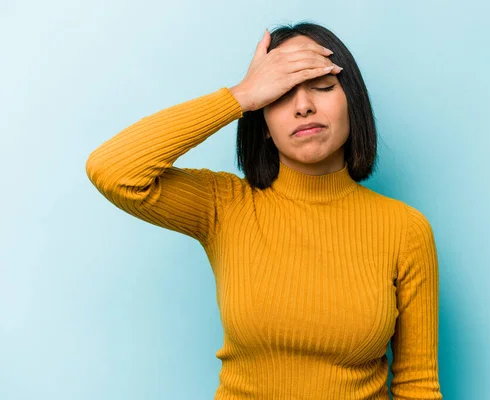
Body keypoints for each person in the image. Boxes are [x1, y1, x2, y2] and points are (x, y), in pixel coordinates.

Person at [85, 22, 442, 400]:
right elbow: (112, 170)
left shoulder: (405, 229)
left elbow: (417, 387)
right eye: (281, 93)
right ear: (265, 124)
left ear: (352, 104)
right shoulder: (224, 205)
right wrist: (241, 95)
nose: (304, 106)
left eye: (321, 87)